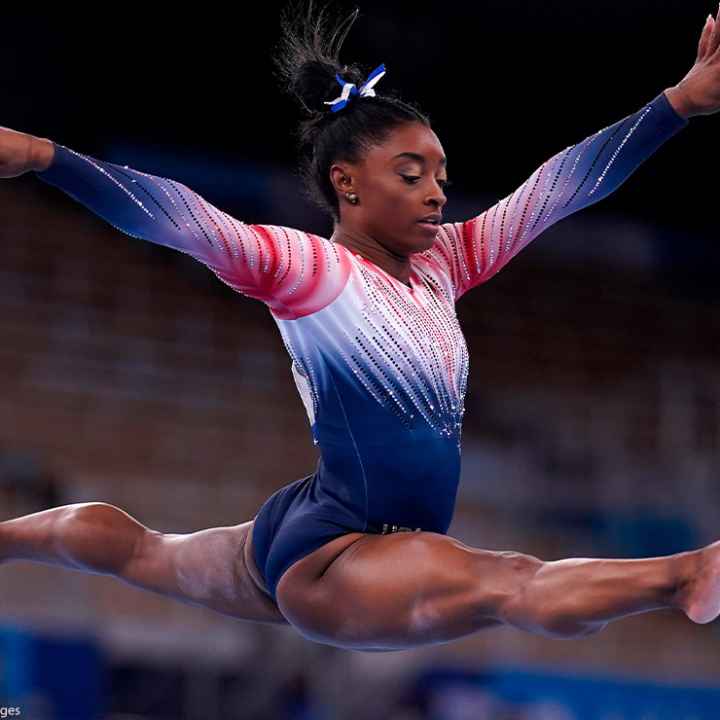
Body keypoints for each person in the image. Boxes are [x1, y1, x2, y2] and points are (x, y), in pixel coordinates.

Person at [1, 2, 720, 653]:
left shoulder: (447, 260)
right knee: (512, 583)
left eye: (439, 173)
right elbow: (177, 217)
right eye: (411, 175)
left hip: (317, 520)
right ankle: (685, 576)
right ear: (347, 183)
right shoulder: (307, 269)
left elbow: (559, 189)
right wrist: (45, 158)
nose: (436, 190)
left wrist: (677, 104)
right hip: (341, 555)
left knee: (145, 552)